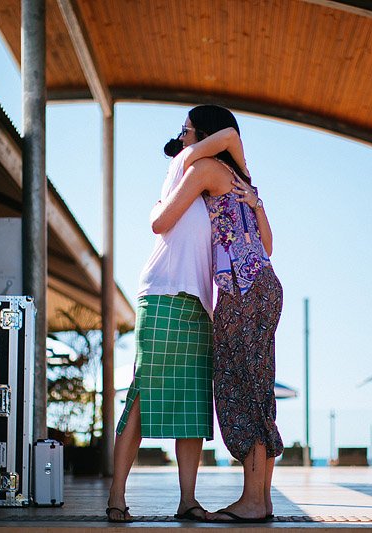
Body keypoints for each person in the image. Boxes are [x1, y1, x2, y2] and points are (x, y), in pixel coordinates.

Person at [105, 108, 248, 523]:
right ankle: (117, 497)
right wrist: (207, 145)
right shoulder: (186, 165)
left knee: (194, 406)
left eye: (186, 131)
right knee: (140, 395)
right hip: (165, 290)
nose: (182, 138)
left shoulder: (217, 183)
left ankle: (187, 500)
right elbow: (161, 222)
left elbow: (232, 146)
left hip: (201, 302)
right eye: (185, 133)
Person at [151, 104, 283, 523]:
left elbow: (161, 222)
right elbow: (267, 245)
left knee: (239, 390)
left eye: (187, 130)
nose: (184, 138)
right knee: (257, 389)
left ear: (202, 132)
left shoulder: (205, 169)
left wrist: (184, 162)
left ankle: (252, 501)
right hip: (265, 286)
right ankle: (261, 500)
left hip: (241, 292)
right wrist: (256, 196)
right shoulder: (243, 181)